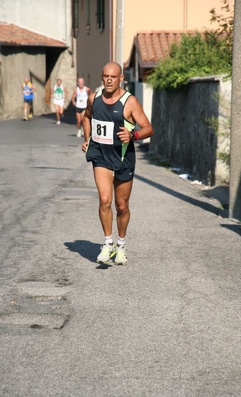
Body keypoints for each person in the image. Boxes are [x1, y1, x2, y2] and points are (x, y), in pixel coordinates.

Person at [81, 62, 154, 266]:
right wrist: (87, 139)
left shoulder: (129, 102)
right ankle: (108, 242)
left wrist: (133, 134)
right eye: (106, 76)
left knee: (121, 206)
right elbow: (87, 118)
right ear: (102, 77)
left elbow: (149, 128)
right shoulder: (93, 99)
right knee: (105, 200)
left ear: (121, 78)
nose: (109, 80)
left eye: (114, 76)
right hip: (101, 156)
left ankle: (121, 245)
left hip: (123, 157)